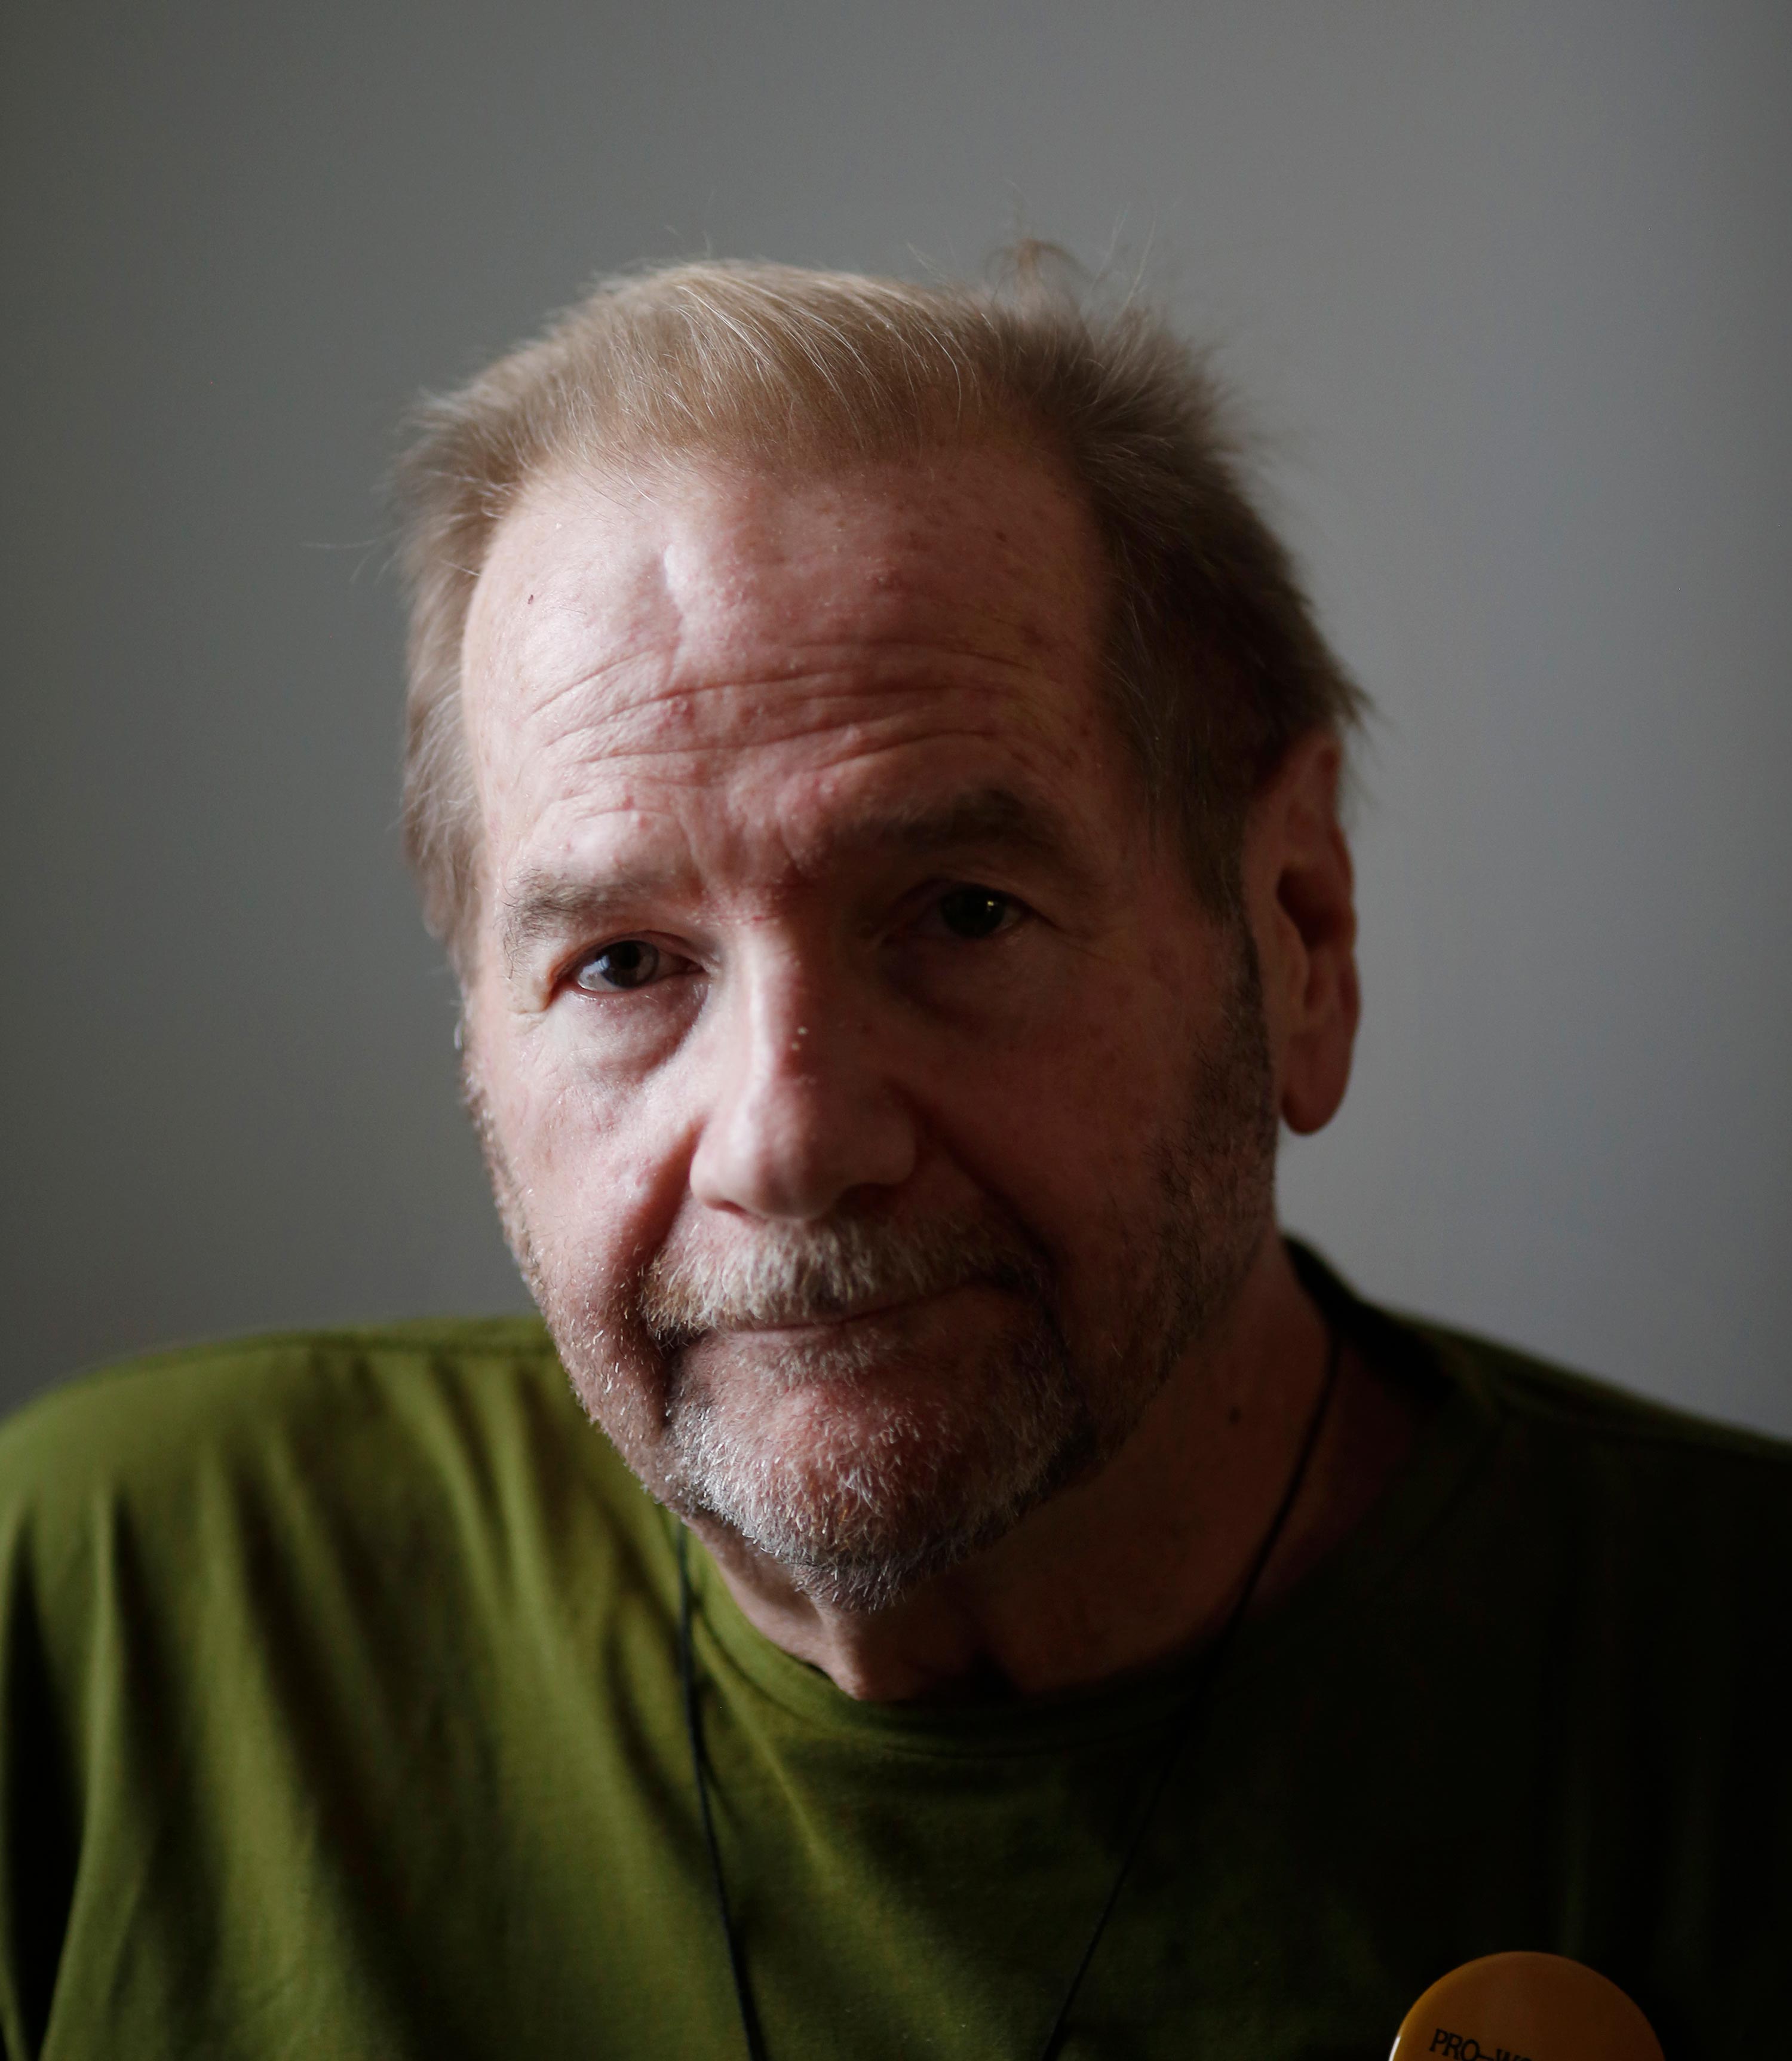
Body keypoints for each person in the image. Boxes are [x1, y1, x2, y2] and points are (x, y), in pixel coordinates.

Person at [1, 254, 1786, 2061]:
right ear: (476, 1028)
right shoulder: (121, 1607)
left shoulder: (1729, 1681)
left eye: (964, 911)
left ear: (1298, 933)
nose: (787, 1140)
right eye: (623, 963)